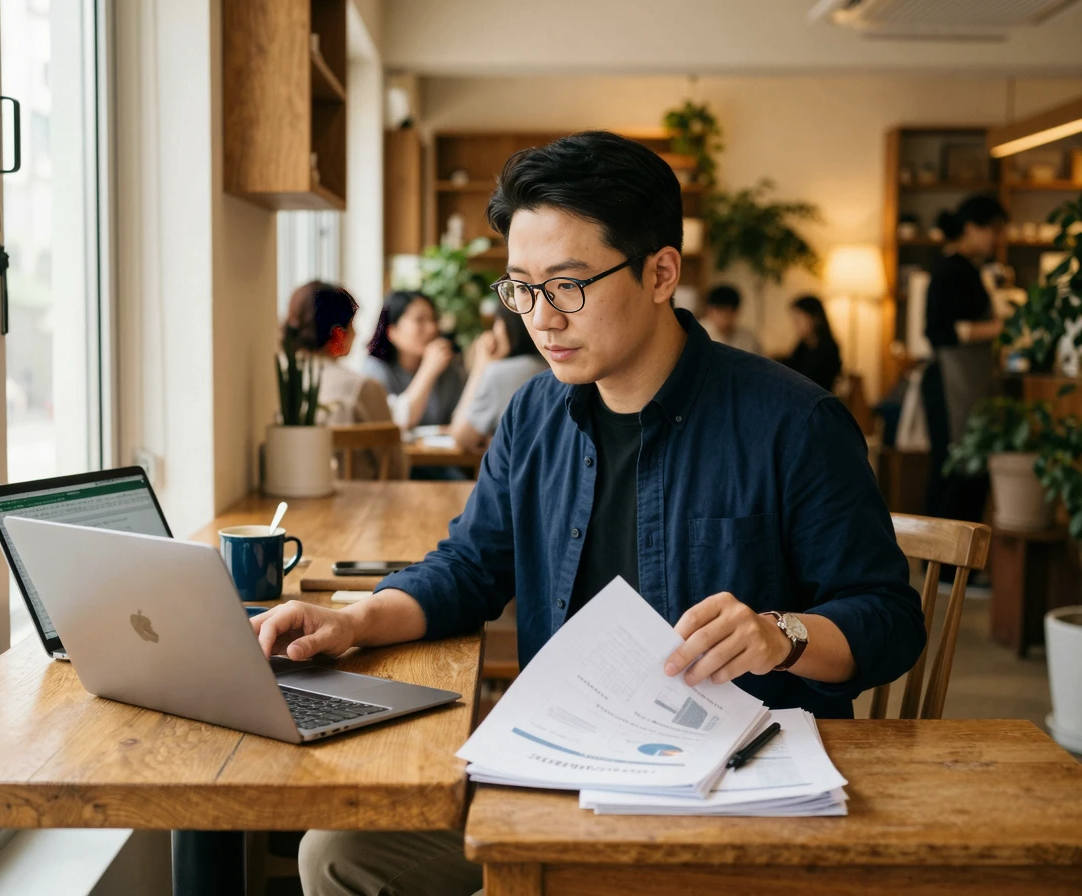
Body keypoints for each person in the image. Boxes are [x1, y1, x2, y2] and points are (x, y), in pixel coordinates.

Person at [253, 131, 924, 896]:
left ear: (660, 272)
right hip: (564, 756)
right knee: (338, 855)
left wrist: (780, 635)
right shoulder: (534, 412)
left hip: (731, 783)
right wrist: (356, 620)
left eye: (568, 285)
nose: (541, 318)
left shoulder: (792, 422)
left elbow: (888, 620)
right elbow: (472, 567)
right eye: (520, 287)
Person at [923, 194, 1007, 523]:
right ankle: (944, 565)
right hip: (950, 383)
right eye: (994, 230)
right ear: (971, 228)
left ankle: (958, 566)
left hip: (965, 382)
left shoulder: (968, 269)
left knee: (966, 469)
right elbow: (938, 330)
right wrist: (999, 328)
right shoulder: (951, 270)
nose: (997, 239)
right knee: (954, 470)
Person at [281, 280, 398, 479]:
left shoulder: (278, 382)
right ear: (338, 333)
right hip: (363, 506)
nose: (357, 333)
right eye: (352, 325)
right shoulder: (363, 388)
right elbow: (396, 469)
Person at [449, 305, 548, 451]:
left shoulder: (500, 373)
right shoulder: (555, 367)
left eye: (497, 322)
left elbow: (462, 436)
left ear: (508, 325)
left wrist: (481, 366)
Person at [362, 291, 466, 430]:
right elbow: (396, 424)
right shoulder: (374, 370)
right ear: (392, 331)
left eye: (434, 319)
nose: (432, 328)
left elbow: (463, 424)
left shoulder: (448, 370)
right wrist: (428, 370)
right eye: (420, 320)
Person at [780, 295, 842, 392]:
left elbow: (810, 378)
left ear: (815, 318)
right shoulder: (802, 345)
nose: (795, 325)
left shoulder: (828, 348)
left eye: (798, 320)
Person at [699, 284, 761, 354]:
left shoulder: (748, 338)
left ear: (737, 312)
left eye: (729, 311)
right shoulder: (698, 333)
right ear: (709, 311)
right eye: (721, 310)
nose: (725, 316)